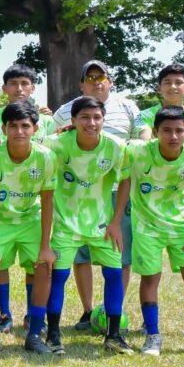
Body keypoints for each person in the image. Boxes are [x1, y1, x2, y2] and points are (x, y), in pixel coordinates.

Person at [125, 106, 184, 357]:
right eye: (167, 130)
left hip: (181, 227)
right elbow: (105, 141)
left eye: (179, 130)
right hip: (146, 227)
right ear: (156, 132)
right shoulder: (137, 151)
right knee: (150, 279)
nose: (173, 136)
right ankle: (152, 336)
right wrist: (72, 129)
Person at [51, 60, 139, 331]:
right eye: (90, 78)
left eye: (101, 77)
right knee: (80, 257)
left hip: (112, 195)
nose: (97, 81)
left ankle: (114, 315)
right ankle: (88, 311)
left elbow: (141, 140)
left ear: (110, 81)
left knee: (119, 256)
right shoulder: (65, 111)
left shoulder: (127, 107)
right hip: (75, 198)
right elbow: (47, 141)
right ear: (82, 84)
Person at [44, 96, 133, 355]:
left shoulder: (116, 146)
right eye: (84, 117)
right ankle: (53, 335)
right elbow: (27, 145)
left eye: (96, 117)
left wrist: (116, 222)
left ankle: (114, 336)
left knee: (114, 275)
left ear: (104, 120)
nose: (91, 123)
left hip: (103, 225)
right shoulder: (56, 143)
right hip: (66, 225)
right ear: (73, 120)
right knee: (58, 277)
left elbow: (125, 180)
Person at [0, 64, 58, 335]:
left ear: (35, 128)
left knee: (42, 264)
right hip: (0, 216)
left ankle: (35, 324)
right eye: (13, 126)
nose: (20, 131)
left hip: (30, 217)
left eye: (26, 126)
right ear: (4, 128)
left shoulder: (46, 149)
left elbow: (48, 199)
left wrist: (46, 245)